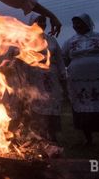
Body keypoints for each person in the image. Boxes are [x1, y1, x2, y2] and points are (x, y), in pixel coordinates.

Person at [62, 13, 99, 147]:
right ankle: (88, 140)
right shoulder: (70, 41)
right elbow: (63, 57)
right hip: (80, 79)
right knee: (83, 106)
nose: (76, 26)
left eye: (79, 22)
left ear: (87, 23)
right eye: (74, 23)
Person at [26, 13, 67, 142]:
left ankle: (52, 133)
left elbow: (60, 59)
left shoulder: (51, 40)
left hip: (51, 77)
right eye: (39, 21)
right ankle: (39, 134)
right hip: (35, 77)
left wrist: (62, 75)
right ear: (32, 23)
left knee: (52, 102)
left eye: (44, 21)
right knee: (37, 102)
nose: (42, 24)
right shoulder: (25, 41)